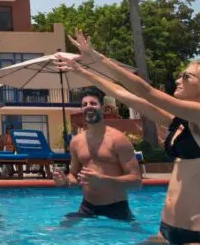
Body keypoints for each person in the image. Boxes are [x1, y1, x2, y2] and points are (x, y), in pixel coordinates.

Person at [56, 31, 200, 245]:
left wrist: (96, 57)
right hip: (165, 231)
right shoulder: (181, 124)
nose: (178, 80)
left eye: (186, 76)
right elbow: (126, 95)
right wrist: (81, 70)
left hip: (199, 237)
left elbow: (146, 91)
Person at [54, 88, 142, 221]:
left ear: (102, 107)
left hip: (116, 208)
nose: (88, 106)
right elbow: (74, 176)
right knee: (58, 232)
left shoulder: (118, 139)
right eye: (84, 104)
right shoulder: (76, 142)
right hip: (87, 207)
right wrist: (64, 181)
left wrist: (103, 180)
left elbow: (136, 181)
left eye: (93, 103)